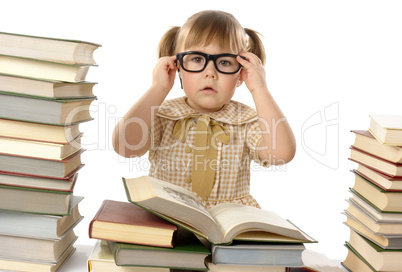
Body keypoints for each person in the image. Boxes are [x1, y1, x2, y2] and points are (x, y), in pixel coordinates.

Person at [112, 10, 296, 209]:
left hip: (228, 222)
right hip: (168, 216)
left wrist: (260, 90)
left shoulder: (245, 121)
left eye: (224, 62)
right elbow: (125, 147)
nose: (210, 73)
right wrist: (158, 88)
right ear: (178, 66)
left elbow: (281, 154)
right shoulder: (163, 115)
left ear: (241, 73)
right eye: (197, 59)